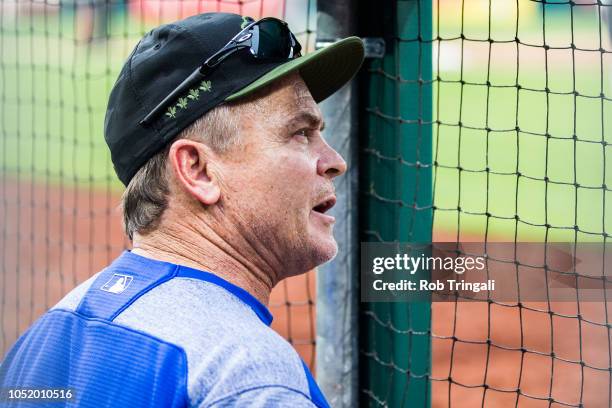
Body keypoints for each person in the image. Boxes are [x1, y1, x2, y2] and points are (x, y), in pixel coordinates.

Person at [0, 12, 363, 408]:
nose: (334, 160)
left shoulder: (40, 344)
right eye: (300, 133)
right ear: (198, 169)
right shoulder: (247, 374)